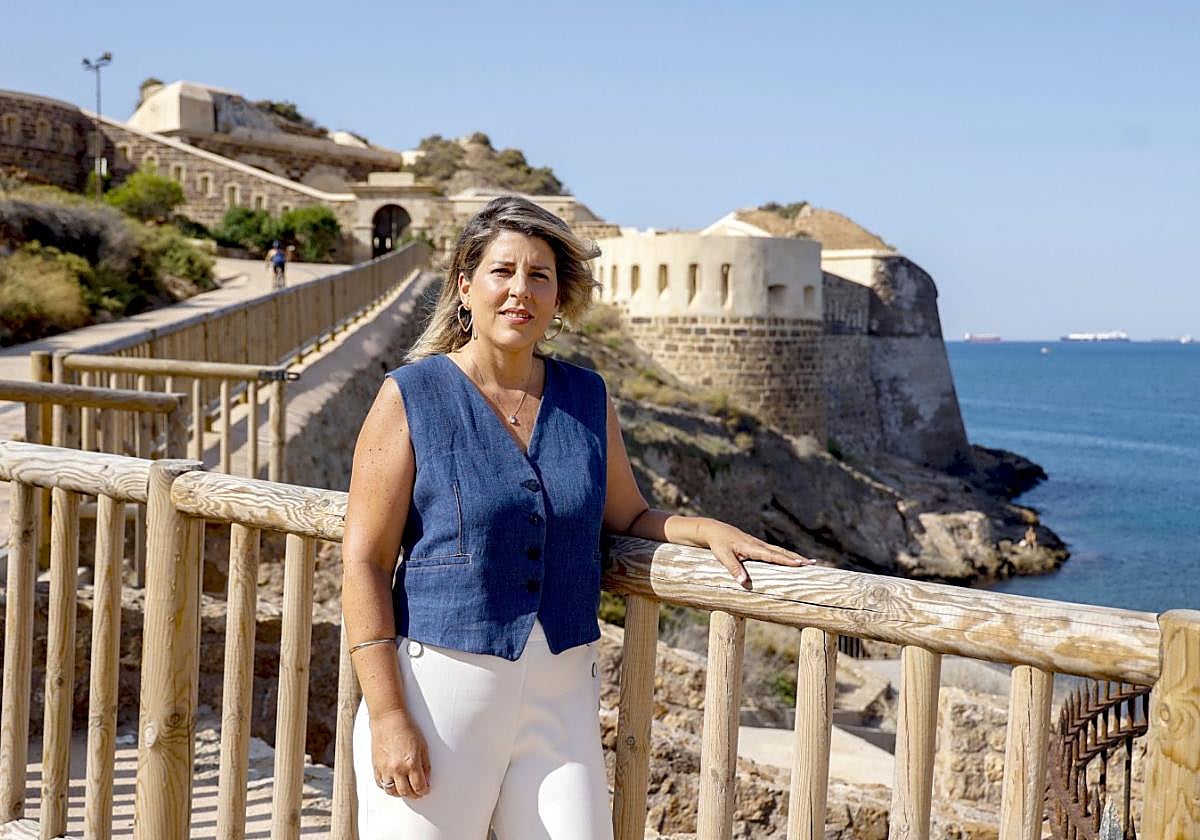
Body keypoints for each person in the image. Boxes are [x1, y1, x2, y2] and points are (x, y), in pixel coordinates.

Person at [341, 196, 811, 840]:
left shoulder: (585, 396)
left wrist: (705, 531)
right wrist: (390, 713)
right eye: (502, 272)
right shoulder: (412, 394)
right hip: (441, 689)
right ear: (464, 286)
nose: (519, 291)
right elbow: (365, 560)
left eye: (540, 276)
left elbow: (630, 513)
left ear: (560, 298)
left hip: (562, 694)